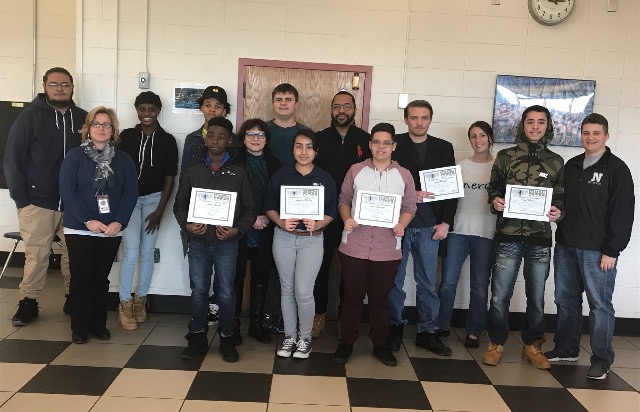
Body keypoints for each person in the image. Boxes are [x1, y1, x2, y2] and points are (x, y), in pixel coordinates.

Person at [545, 113, 635, 380]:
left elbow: (623, 213)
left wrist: (612, 250)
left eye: (596, 133)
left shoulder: (617, 169)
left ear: (606, 136)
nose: (590, 138)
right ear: (580, 135)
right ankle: (566, 348)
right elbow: (564, 204)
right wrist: (557, 214)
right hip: (566, 245)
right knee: (565, 300)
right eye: (586, 133)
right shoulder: (572, 166)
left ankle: (601, 360)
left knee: (600, 306)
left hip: (598, 251)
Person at [4, 67, 87, 325]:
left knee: (74, 255)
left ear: (72, 87)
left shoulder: (83, 118)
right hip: (37, 202)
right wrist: (22, 201)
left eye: (65, 84)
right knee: (37, 256)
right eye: (54, 84)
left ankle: (73, 298)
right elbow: (13, 160)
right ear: (44, 86)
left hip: (74, 205)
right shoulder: (29, 117)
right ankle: (28, 302)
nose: (59, 89)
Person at [483, 105, 564, 370]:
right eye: (530, 122)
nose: (535, 127)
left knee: (537, 298)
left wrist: (558, 211)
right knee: (499, 295)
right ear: (522, 125)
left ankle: (532, 345)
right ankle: (496, 343)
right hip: (507, 236)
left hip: (539, 239)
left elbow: (561, 197)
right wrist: (495, 200)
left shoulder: (556, 161)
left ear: (547, 126)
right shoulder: (505, 157)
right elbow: (494, 187)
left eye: (541, 122)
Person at [332, 123, 416, 367]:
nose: (381, 147)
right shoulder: (356, 170)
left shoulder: (404, 175)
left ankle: (380, 344)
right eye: (376, 142)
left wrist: (402, 224)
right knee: (351, 298)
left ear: (394, 146)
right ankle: (346, 341)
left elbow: (410, 206)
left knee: (381, 299)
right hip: (354, 246)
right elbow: (344, 199)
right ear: (369, 145)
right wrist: (346, 217)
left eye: (386, 142)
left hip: (388, 248)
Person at [173, 117, 255, 362]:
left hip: (226, 243)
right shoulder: (193, 170)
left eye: (222, 137)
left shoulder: (239, 173)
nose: (216, 141)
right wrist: (187, 225)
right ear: (206, 137)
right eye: (212, 136)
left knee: (226, 293)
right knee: (199, 290)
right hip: (198, 242)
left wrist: (236, 231)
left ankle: (227, 337)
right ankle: (197, 335)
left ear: (229, 141)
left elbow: (250, 209)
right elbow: (179, 205)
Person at [59, 106, 138, 344]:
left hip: (110, 229)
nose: (101, 129)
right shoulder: (75, 156)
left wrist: (119, 221)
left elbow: (130, 193)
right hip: (79, 228)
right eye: (97, 124)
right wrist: (87, 220)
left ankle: (98, 325)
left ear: (113, 130)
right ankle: (80, 328)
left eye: (106, 125)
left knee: (101, 279)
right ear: (88, 128)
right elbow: (67, 192)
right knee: (81, 278)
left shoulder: (123, 160)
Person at [387, 100, 457, 356]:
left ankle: (427, 331)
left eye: (424, 118)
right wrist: (409, 194)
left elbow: (451, 190)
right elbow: (385, 180)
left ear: (430, 120)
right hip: (399, 224)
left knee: (427, 282)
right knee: (394, 280)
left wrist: (446, 222)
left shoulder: (443, 147)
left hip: (430, 225)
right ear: (405, 120)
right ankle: (394, 326)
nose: (419, 122)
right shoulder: (395, 145)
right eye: (414, 118)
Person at [264, 130, 336, 359]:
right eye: (298, 146)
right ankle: (289, 337)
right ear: (292, 149)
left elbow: (332, 212)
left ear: (316, 151)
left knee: (303, 291)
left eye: (308, 147)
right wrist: (282, 222)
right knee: (286, 289)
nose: (303, 152)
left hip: (311, 241)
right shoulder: (282, 175)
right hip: (284, 238)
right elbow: (270, 206)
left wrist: (318, 224)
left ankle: (305, 339)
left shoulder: (325, 178)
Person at [116, 91, 178, 330]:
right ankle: (124, 302)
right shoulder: (127, 137)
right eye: (142, 109)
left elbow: (170, 177)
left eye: (151, 109)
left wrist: (160, 210)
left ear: (158, 111)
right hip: (130, 200)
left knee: (147, 250)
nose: (146, 114)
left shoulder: (168, 140)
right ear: (137, 111)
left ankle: (140, 299)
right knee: (130, 251)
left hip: (154, 201)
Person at [313, 91, 371, 338]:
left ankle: (346, 319)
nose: (341, 110)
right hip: (324, 214)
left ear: (354, 110)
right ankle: (319, 315)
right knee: (320, 266)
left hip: (355, 216)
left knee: (351, 270)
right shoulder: (318, 139)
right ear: (331, 110)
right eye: (337, 106)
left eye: (347, 106)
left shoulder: (366, 140)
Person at [435, 121, 496, 348]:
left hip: (486, 235)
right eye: (473, 136)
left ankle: (474, 331)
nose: (478, 140)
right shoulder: (459, 167)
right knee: (448, 282)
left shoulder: (499, 167)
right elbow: (446, 200)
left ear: (490, 138)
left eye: (482, 135)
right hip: (457, 232)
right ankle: (441, 324)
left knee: (479, 286)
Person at [181, 85, 232, 326]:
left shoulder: (232, 142)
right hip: (197, 218)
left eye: (218, 105)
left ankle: (220, 314)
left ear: (225, 110)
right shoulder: (192, 140)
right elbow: (184, 179)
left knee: (224, 279)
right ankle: (199, 324)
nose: (212, 109)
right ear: (201, 107)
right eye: (208, 104)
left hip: (223, 220)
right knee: (199, 278)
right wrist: (187, 221)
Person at [234, 119, 282, 343]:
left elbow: (280, 196)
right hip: (238, 231)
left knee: (261, 277)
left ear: (266, 139)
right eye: (250, 135)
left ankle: (256, 324)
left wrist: (265, 218)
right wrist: (250, 218)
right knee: (235, 278)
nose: (255, 139)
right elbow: (229, 197)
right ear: (243, 138)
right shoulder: (233, 162)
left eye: (260, 135)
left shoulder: (275, 163)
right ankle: (231, 324)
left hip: (267, 229)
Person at [267, 83, 310, 166]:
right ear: (273, 104)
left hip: (296, 178)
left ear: (296, 105)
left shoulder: (306, 133)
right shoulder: (262, 130)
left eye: (288, 100)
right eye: (279, 100)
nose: (283, 103)